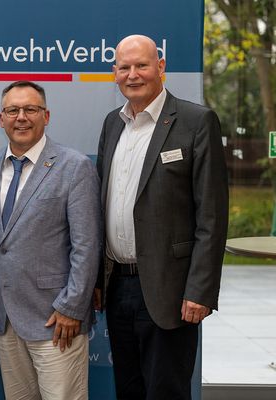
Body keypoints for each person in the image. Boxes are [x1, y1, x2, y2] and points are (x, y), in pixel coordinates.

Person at [95, 34, 229, 399]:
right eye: (124, 67)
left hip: (171, 291)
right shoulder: (113, 124)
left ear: (161, 67)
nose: (133, 75)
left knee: (166, 391)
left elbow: (212, 217)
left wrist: (200, 291)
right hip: (118, 285)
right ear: (115, 73)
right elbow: (103, 203)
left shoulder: (195, 121)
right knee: (129, 389)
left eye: (141, 65)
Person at [0, 80, 101, 400]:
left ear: (46, 116)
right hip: (5, 319)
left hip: (56, 319)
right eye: (13, 110)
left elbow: (87, 245)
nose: (21, 117)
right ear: (1, 118)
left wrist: (72, 307)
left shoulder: (74, 167)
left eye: (30, 109)